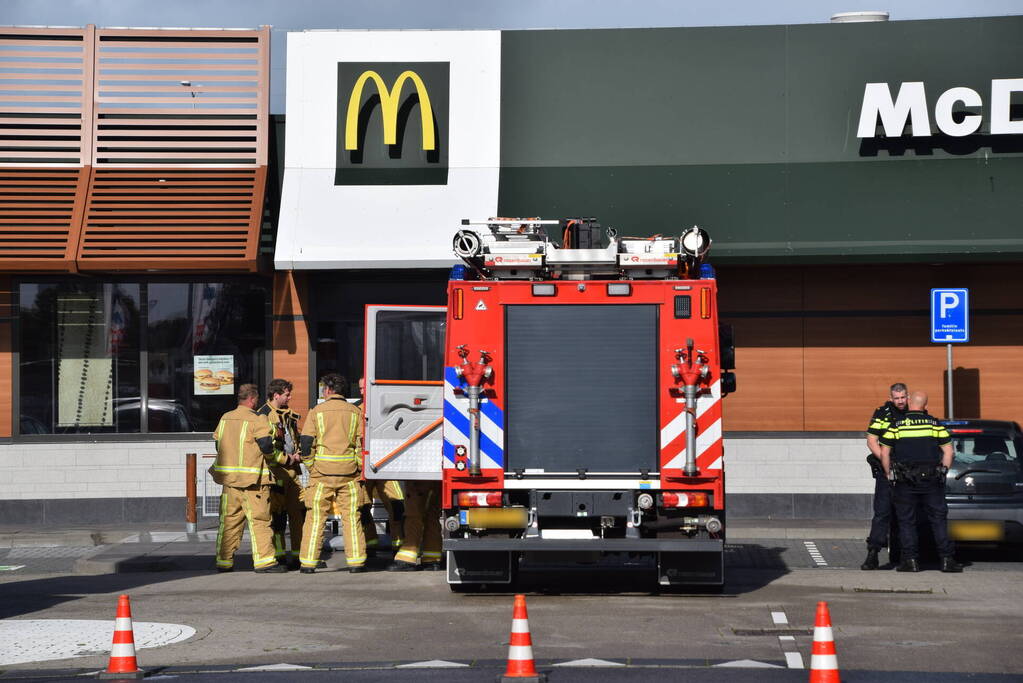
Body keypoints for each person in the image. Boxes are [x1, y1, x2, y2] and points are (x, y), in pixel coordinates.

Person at [879, 390, 963, 573]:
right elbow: (949, 452)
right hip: (932, 480)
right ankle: (947, 560)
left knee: (907, 521)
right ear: (925, 405)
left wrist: (889, 474)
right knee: (938, 519)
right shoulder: (935, 424)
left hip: (904, 481)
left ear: (909, 403)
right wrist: (943, 471)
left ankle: (911, 561)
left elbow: (884, 452)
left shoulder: (897, 425)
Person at [210, 383, 286, 573]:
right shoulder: (257, 419)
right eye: (256, 399)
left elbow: (218, 445)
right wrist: (272, 460)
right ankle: (265, 562)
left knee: (228, 522)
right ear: (252, 399)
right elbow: (267, 445)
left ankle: (224, 561)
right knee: (260, 521)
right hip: (253, 483)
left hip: (229, 482)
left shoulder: (225, 418)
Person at [298, 373, 368, 574]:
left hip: (322, 474)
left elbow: (306, 442)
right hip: (349, 474)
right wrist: (359, 467)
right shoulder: (355, 412)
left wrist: (312, 466)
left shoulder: (317, 411)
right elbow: (361, 444)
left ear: (328, 390)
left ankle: (308, 564)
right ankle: (356, 562)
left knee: (315, 518)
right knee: (351, 518)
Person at [257, 378, 305, 570]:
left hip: (291, 472)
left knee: (297, 514)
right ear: (276, 395)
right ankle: (279, 555)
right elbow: (267, 448)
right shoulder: (263, 415)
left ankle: (298, 555)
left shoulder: (288, 415)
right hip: (276, 472)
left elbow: (294, 438)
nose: (290, 397)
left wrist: (299, 453)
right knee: (277, 517)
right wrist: (289, 458)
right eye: (287, 394)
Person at [355, 377, 406, 555]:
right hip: (362, 468)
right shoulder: (354, 411)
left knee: (397, 505)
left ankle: (398, 543)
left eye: (365, 388)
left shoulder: (385, 409)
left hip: (384, 465)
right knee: (362, 507)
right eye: (360, 388)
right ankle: (370, 543)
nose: (363, 391)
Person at [861, 382, 908, 570]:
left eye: (903, 397)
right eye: (896, 398)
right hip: (887, 471)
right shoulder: (882, 413)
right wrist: (886, 461)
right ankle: (873, 553)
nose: (900, 401)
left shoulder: (914, 414)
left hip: (908, 471)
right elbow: (871, 440)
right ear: (891, 398)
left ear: (908, 396)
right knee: (882, 513)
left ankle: (906, 555)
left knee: (906, 515)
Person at [387, 480, 442, 571]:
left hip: (420, 477)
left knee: (414, 515)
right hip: (436, 476)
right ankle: (432, 559)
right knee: (432, 516)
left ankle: (407, 558)